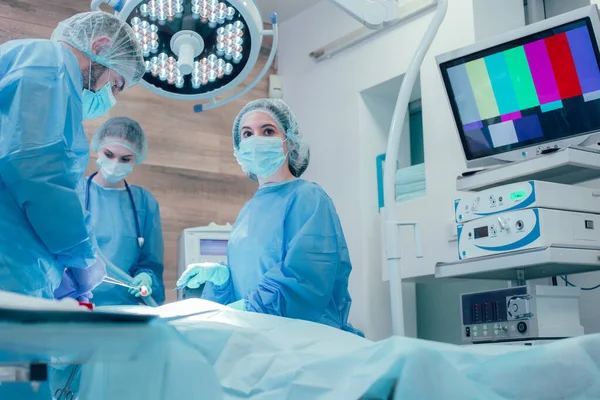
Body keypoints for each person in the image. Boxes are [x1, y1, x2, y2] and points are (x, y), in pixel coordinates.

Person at [177, 98, 362, 336]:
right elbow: (247, 280)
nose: (256, 140)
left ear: (289, 142)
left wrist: (249, 309)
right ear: (238, 149)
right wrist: (223, 279)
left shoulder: (308, 198)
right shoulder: (249, 210)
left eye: (268, 131)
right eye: (247, 134)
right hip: (260, 337)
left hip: (305, 342)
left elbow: (304, 277)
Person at [0, 11, 145, 301]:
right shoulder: (48, 64)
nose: (111, 97)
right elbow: (39, 170)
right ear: (100, 48)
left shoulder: (43, 70)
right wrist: (80, 255)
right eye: (116, 84)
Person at [86, 117, 165, 305]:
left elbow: (150, 264)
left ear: (135, 159)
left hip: (123, 311)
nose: (115, 163)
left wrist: (146, 278)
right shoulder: (75, 193)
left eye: (125, 159)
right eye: (109, 154)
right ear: (98, 148)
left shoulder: (144, 203)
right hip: (73, 306)